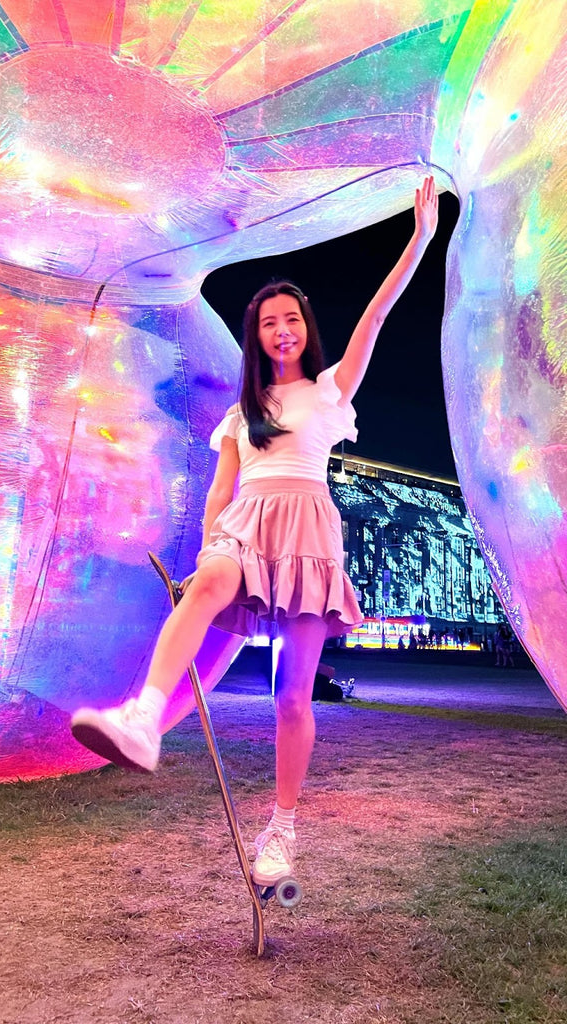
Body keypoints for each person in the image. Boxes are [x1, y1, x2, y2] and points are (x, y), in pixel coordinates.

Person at [71, 175, 439, 885]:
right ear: (257, 335)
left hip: (306, 537)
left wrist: (418, 240)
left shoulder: (328, 391)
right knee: (209, 582)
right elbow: (220, 489)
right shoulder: (243, 413)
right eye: (269, 322)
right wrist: (210, 544)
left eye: (290, 319)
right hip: (246, 525)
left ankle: (284, 829)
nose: (281, 330)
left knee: (293, 696)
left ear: (305, 329)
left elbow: (378, 315)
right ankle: (143, 719)